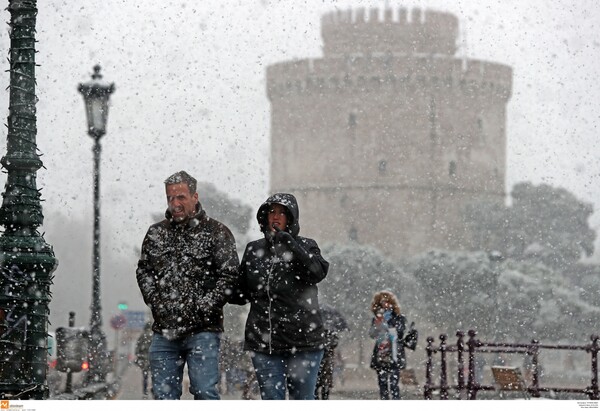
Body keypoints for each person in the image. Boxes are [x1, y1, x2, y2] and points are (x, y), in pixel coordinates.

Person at [136, 170, 240, 400]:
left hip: (203, 329)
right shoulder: (156, 234)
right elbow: (144, 271)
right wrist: (155, 301)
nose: (175, 204)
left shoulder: (217, 233)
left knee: (204, 392)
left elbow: (230, 276)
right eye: (170, 198)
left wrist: (203, 306)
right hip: (164, 329)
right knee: (164, 396)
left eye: (181, 197)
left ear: (195, 196)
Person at [231, 193, 329, 400]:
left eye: (282, 213)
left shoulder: (307, 246)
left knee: (302, 400)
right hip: (265, 345)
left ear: (291, 218)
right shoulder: (253, 249)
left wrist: (291, 244)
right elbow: (241, 293)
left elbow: (317, 272)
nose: (276, 217)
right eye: (272, 212)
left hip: (304, 344)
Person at [369, 290, 407, 400]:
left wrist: (390, 330)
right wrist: (379, 325)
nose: (385, 305)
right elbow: (372, 334)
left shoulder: (399, 317)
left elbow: (401, 333)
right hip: (381, 354)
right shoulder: (377, 318)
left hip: (395, 354)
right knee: (382, 384)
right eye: (382, 302)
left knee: (394, 385)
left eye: (387, 302)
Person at [134, 321, 154, 398]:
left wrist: (137, 355)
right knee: (153, 376)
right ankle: (153, 389)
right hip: (152, 358)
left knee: (145, 376)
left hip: (143, 359)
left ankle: (145, 392)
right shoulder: (153, 335)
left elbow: (137, 347)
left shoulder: (142, 335)